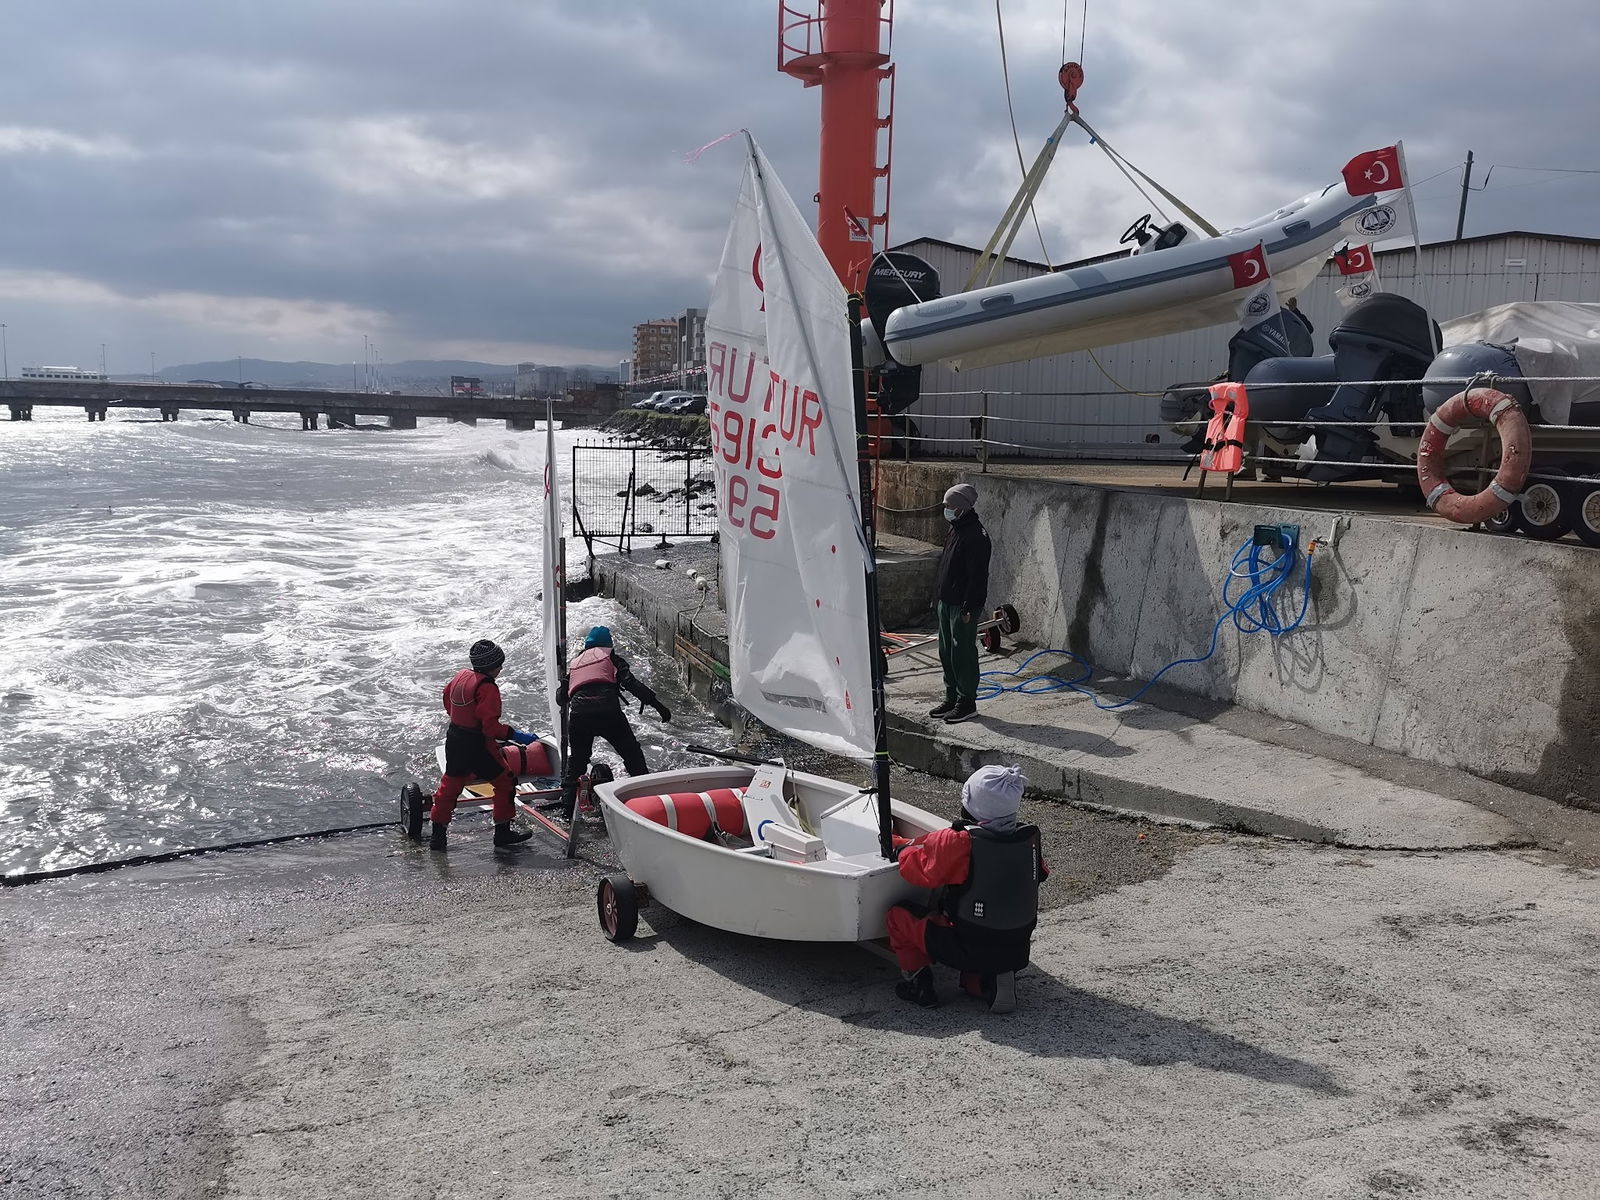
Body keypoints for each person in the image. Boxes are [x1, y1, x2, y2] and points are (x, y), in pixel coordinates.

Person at [885, 764, 1046, 1012]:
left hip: (968, 945)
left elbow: (918, 870)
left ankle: (918, 982)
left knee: (898, 916)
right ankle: (988, 981)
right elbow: (1041, 874)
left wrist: (899, 849)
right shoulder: (1029, 838)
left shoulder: (961, 841)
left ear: (970, 804)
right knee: (982, 943)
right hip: (1017, 945)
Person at [421, 639, 540, 852]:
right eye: (499, 664)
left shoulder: (460, 676)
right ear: (490, 666)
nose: (501, 668)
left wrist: (461, 719)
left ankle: (437, 837)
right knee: (505, 781)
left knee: (450, 786)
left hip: (455, 738)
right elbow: (491, 728)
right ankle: (502, 833)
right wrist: (516, 735)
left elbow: (447, 700)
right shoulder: (487, 688)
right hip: (477, 744)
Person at [558, 625, 669, 816]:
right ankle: (647, 800)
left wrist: (565, 685)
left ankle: (566, 811)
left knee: (576, 762)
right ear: (608, 644)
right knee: (632, 753)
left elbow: (561, 697)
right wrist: (659, 706)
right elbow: (630, 682)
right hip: (608, 712)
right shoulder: (612, 658)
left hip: (579, 715)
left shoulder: (575, 663)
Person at [929, 482, 991, 724]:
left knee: (962, 653)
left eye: (950, 505)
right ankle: (952, 696)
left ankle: (967, 701)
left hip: (962, 605)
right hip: (947, 601)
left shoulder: (976, 536)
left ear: (962, 507)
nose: (946, 509)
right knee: (946, 651)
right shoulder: (955, 529)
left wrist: (968, 606)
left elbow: (977, 576)